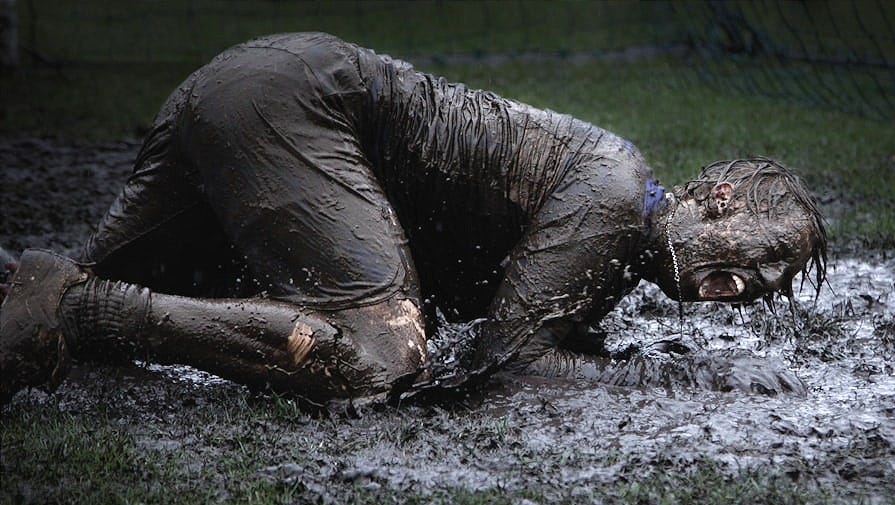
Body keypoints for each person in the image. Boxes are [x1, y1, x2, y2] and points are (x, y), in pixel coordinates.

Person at [0, 33, 827, 410]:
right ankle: (81, 309)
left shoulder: (619, 219)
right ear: (718, 202)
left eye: (770, 286)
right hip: (293, 105)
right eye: (760, 258)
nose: (748, 287)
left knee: (34, 308)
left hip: (256, 89)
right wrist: (677, 378)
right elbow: (502, 372)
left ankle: (64, 300)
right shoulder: (615, 192)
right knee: (381, 359)